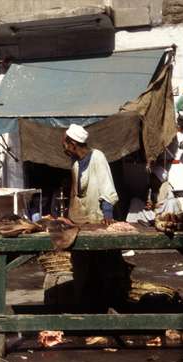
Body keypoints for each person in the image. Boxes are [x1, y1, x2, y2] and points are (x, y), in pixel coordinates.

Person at [61, 124, 131, 312]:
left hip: (96, 219)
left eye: (65, 142)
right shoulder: (75, 163)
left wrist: (107, 213)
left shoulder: (97, 157)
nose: (63, 146)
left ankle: (110, 306)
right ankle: (86, 308)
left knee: (104, 265)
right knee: (82, 267)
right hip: (79, 222)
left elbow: (107, 185)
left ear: (73, 143)